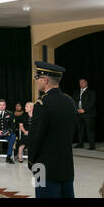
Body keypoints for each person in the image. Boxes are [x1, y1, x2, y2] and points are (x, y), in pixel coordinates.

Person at [29, 61, 76, 198]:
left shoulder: (42, 104)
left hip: (44, 167)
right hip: (66, 164)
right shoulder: (69, 101)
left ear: (45, 80)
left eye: (37, 78)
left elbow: (36, 137)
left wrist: (32, 162)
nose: (36, 81)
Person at [73, 79, 96, 150]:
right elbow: (73, 101)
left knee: (90, 130)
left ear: (86, 83)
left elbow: (92, 102)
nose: (81, 84)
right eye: (80, 83)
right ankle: (80, 143)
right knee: (80, 129)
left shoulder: (91, 92)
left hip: (88, 114)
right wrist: (77, 109)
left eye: (83, 82)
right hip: (78, 113)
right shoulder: (76, 92)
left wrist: (84, 110)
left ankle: (92, 145)